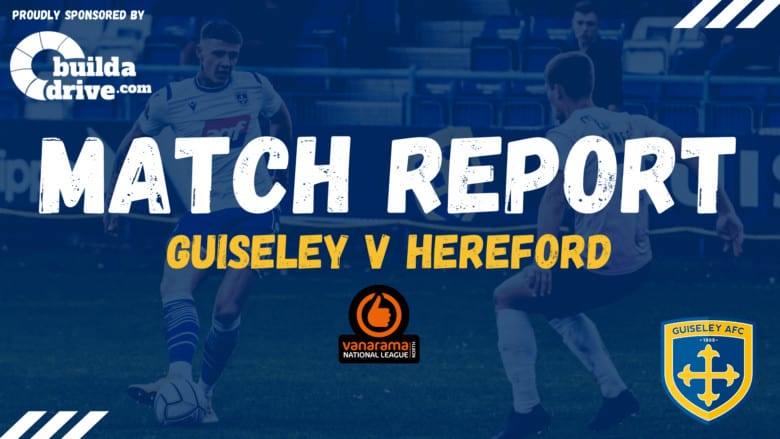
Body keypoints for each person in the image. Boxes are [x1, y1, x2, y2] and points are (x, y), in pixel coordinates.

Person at [491, 52, 744, 438]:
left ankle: (526, 411)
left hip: (600, 265)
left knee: (507, 296)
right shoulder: (632, 123)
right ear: (590, 86)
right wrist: (726, 211)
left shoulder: (564, 136)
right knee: (556, 303)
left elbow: (553, 199)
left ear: (556, 91)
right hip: (639, 263)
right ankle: (616, 394)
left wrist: (543, 259)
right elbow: (693, 156)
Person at [104, 20, 292, 424]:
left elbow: (281, 118)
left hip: (255, 212)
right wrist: (116, 200)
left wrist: (279, 168)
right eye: (219, 54)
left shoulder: (255, 86)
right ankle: (178, 379)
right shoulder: (171, 99)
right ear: (199, 52)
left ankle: (202, 395)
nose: (226, 62)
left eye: (233, 56)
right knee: (174, 288)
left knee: (226, 310)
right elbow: (131, 144)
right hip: (204, 213)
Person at [565, 1, 623, 111]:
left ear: (598, 25)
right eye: (580, 23)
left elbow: (614, 95)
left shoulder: (609, 54)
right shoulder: (565, 51)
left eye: (590, 24)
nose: (584, 28)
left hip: (599, 113)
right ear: (573, 24)